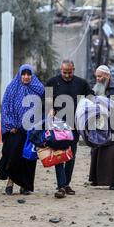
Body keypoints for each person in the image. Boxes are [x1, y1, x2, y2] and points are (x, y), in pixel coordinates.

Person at [45, 60, 93, 198]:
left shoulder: (81, 83)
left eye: (69, 72)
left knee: (71, 155)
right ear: (60, 70)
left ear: (74, 69)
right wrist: (50, 109)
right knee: (59, 155)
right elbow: (46, 99)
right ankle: (61, 186)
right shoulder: (52, 82)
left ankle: (66, 184)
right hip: (58, 125)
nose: (67, 75)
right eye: (64, 72)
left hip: (75, 124)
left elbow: (90, 96)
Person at [0, 64, 45, 196]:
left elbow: (44, 107)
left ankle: (25, 186)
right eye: (23, 74)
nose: (26, 77)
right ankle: (10, 182)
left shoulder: (39, 89)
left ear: (32, 75)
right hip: (15, 129)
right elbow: (6, 107)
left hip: (32, 129)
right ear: (19, 74)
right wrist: (10, 125)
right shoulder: (12, 88)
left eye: (29, 74)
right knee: (13, 155)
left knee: (29, 158)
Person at [89, 65, 114, 190]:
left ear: (108, 76)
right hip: (99, 125)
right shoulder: (95, 89)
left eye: (100, 76)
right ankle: (96, 180)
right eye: (96, 76)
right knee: (97, 152)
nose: (98, 79)